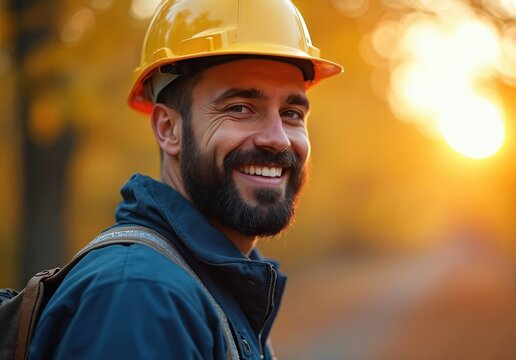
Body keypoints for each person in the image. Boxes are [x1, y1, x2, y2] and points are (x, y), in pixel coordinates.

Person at [28, 0, 342, 358]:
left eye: (291, 113)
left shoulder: (214, 285)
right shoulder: (141, 295)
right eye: (239, 108)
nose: (278, 138)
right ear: (168, 129)